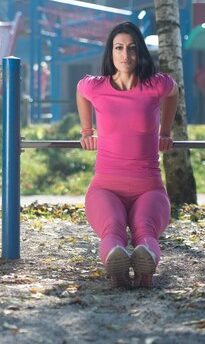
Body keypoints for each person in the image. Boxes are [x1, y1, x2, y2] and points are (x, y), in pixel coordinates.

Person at [75, 21, 178, 288]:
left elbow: (173, 91)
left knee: (145, 229)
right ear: (111, 52)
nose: (126, 54)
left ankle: (145, 268)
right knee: (112, 228)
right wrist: (87, 130)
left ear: (140, 52)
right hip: (106, 188)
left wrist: (165, 132)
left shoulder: (155, 85)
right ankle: (116, 264)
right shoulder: (96, 87)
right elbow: (80, 90)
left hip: (149, 188)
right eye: (119, 48)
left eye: (132, 48)